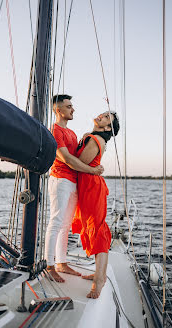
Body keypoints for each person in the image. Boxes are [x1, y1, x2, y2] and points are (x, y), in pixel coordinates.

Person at [45, 94, 104, 283]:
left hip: (72, 182)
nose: (73, 109)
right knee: (56, 222)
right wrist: (93, 171)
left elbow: (77, 154)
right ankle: (49, 265)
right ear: (58, 110)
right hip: (60, 180)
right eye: (69, 106)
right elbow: (68, 160)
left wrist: (87, 138)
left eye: (72, 106)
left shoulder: (71, 133)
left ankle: (61, 262)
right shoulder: (54, 131)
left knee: (65, 224)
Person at [72, 111, 120, 298]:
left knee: (97, 229)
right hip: (88, 186)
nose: (101, 116)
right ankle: (100, 273)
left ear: (108, 128)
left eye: (107, 117)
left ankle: (99, 279)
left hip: (91, 187)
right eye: (103, 114)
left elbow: (79, 163)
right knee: (94, 228)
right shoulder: (93, 138)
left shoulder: (95, 140)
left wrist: (61, 154)